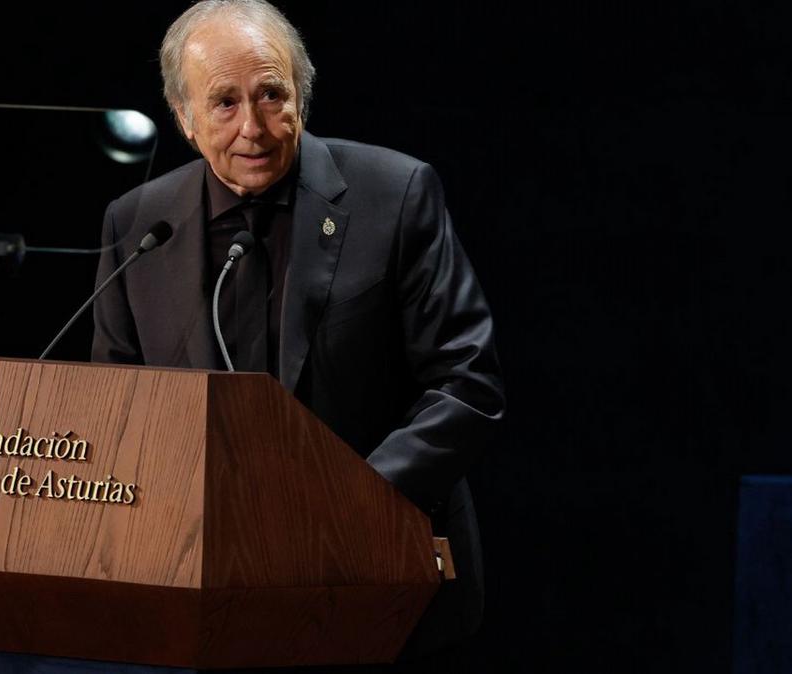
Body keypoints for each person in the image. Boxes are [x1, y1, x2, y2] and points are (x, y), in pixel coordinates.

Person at [91, 0, 504, 668]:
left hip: (377, 586)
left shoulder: (396, 193)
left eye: (272, 96)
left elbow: (467, 384)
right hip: (207, 597)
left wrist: (346, 505)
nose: (253, 127)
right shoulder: (137, 221)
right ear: (183, 118)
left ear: (301, 95)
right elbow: (117, 411)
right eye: (223, 103)